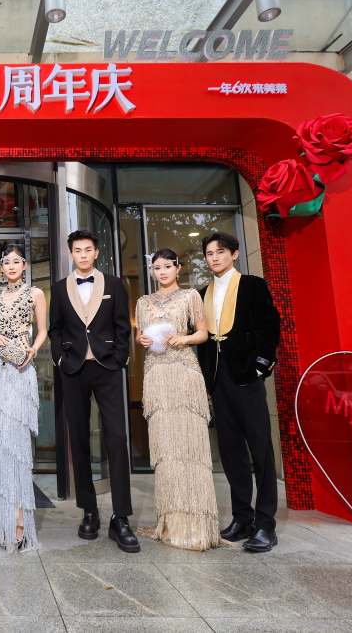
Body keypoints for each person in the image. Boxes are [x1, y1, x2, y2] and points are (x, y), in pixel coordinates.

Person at [49, 229, 137, 553]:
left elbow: (123, 326)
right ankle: (89, 510)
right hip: (73, 369)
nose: (83, 255)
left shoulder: (113, 284)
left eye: (88, 249)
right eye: (78, 250)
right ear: (71, 254)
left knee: (117, 437)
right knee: (79, 439)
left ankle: (121, 517)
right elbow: (55, 328)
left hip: (107, 368)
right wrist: (59, 358)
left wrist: (119, 359)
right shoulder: (59, 288)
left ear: (96, 253)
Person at [197, 232, 281, 553]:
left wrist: (260, 367)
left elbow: (269, 327)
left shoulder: (252, 285)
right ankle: (242, 518)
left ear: (234, 254)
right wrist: (206, 381)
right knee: (231, 452)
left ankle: (266, 524)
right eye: (209, 253)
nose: (214, 257)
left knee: (260, 451)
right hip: (218, 382)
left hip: (246, 377)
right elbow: (203, 342)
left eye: (220, 252)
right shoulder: (201, 293)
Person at [134, 248, 222, 551]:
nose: (162, 272)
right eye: (157, 268)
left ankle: (196, 527)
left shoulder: (190, 297)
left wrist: (183, 338)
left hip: (184, 374)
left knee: (190, 447)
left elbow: (203, 333)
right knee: (166, 450)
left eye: (167, 266)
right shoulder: (143, 302)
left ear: (177, 268)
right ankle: (171, 524)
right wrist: (142, 339)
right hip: (156, 375)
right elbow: (141, 336)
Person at [0, 244, 48, 552]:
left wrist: (33, 349)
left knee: (17, 444)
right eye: (5, 262)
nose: (10, 266)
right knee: (0, 445)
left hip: (22, 368)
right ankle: (5, 521)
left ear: (24, 265)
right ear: (1, 267)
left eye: (16, 261)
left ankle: (20, 521)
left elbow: (43, 330)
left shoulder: (35, 294)